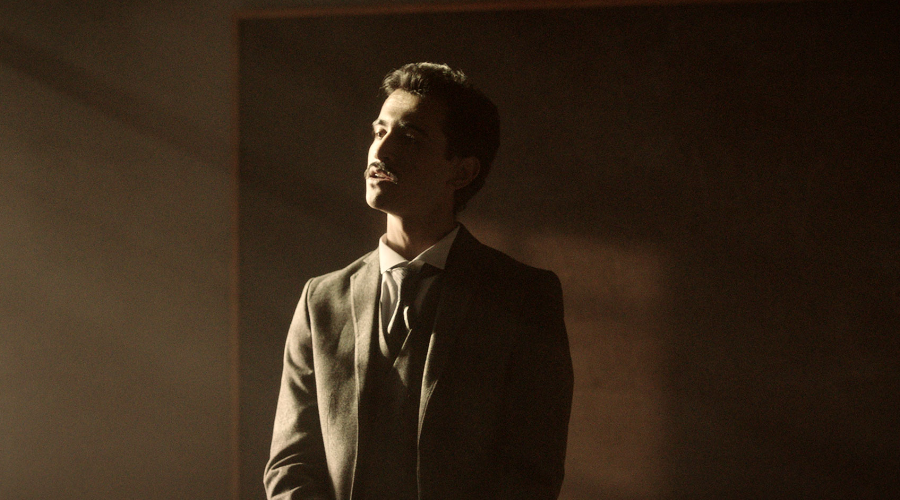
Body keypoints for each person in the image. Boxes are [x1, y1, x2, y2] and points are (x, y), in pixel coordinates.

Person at [264, 62, 573, 500]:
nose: (381, 150)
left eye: (409, 137)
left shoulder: (522, 297)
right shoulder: (322, 300)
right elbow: (291, 464)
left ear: (461, 172)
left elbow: (530, 472)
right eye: (379, 131)